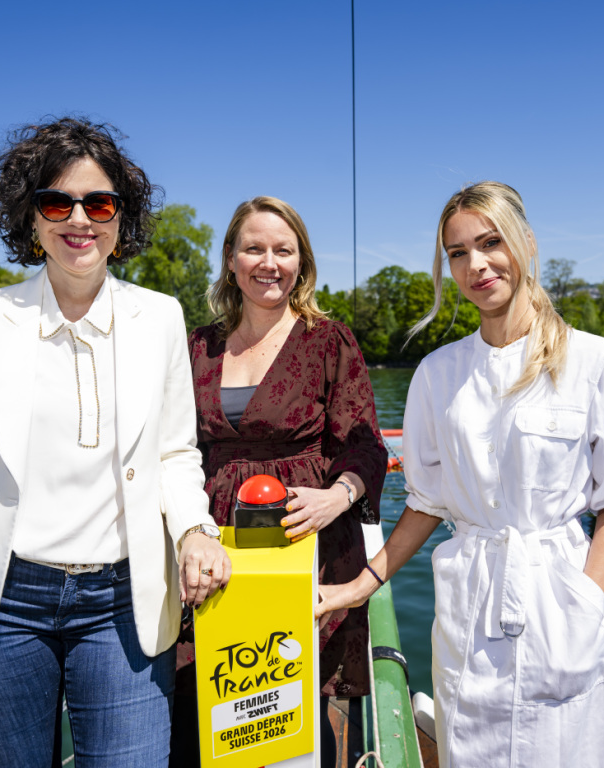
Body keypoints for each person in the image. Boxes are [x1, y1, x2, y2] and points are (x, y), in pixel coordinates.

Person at [0, 117, 227, 767]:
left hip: (124, 602)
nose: (79, 219)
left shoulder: (160, 318)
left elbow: (175, 454)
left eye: (99, 203)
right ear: (30, 216)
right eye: (55, 202)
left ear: (121, 217)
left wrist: (194, 531)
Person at [316, 182, 604, 767]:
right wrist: (358, 587)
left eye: (490, 242)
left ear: (526, 243)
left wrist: (583, 602)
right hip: (470, 605)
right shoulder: (437, 374)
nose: (476, 264)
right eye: (458, 252)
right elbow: (427, 502)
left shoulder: (597, 363)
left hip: (560, 596)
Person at [175, 196, 387, 766]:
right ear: (230, 259)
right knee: (207, 695)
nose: (269, 263)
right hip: (213, 539)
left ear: (301, 262)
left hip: (303, 540)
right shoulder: (197, 346)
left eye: (283, 250)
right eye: (254, 248)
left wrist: (338, 496)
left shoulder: (329, 340)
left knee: (289, 699)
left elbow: (365, 443)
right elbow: (173, 447)